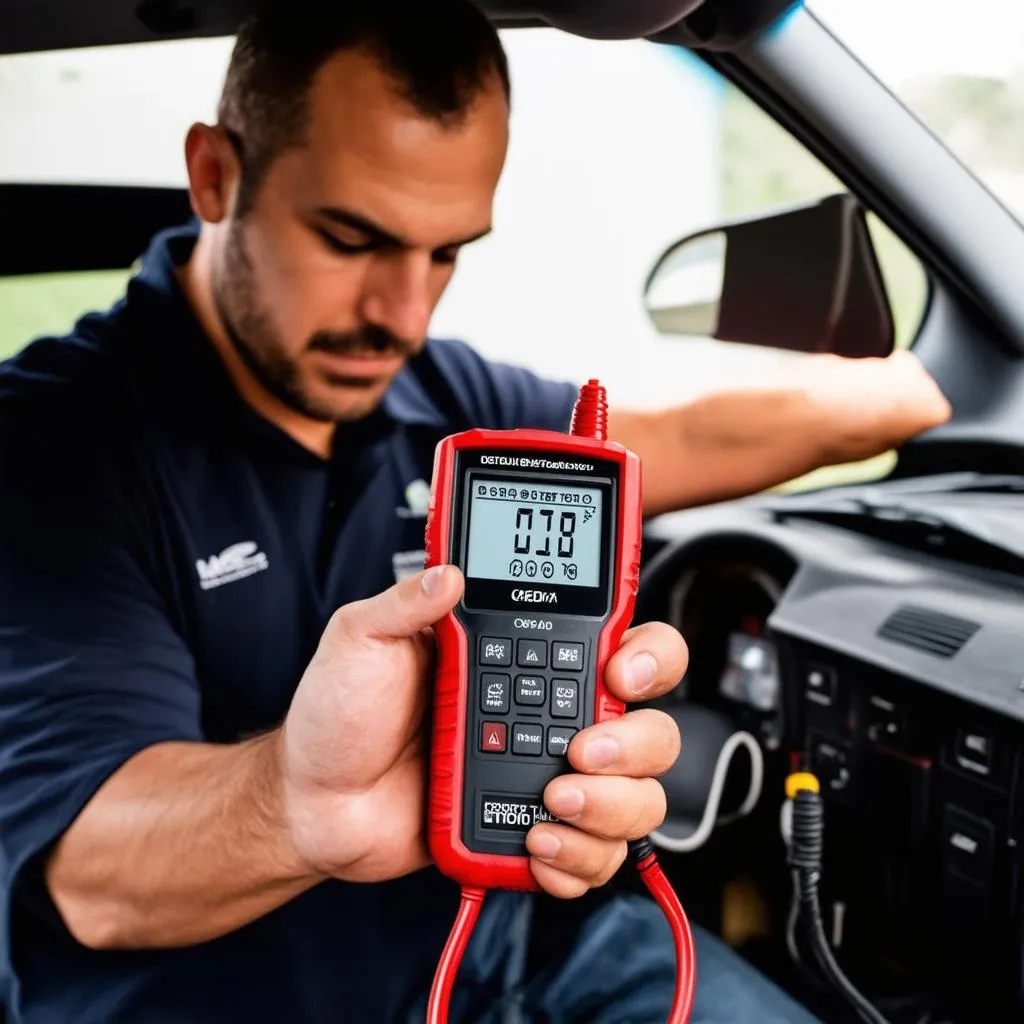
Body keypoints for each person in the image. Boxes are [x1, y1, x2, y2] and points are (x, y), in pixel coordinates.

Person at [0, 2, 951, 1022]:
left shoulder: (447, 402)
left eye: (448, 252)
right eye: (351, 237)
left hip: (513, 928)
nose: (405, 315)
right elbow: (93, 873)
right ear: (216, 176)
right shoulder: (51, 446)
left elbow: (689, 439)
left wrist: (928, 384)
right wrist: (304, 806)